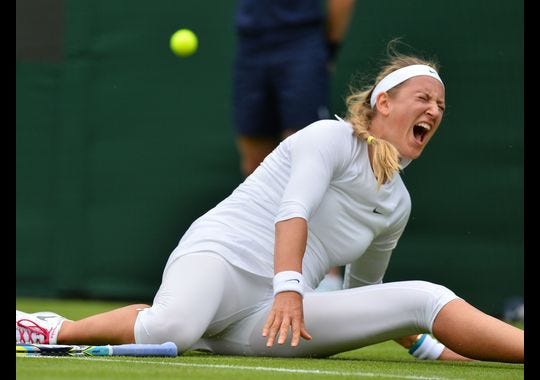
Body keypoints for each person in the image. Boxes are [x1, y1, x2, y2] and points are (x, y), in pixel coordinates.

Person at [16, 42, 524, 363]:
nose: (434, 110)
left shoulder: (397, 205)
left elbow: (366, 294)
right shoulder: (328, 137)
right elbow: (293, 210)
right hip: (222, 255)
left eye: (440, 105)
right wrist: (289, 289)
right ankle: (53, 328)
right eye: (423, 98)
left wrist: (434, 347)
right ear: (383, 104)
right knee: (173, 329)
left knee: (420, 297)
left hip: (278, 309)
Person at [233, 0, 356, 291]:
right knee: (254, 164)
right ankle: (261, 270)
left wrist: (329, 47)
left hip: (301, 40)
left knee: (309, 161)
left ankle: (326, 276)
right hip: (251, 41)